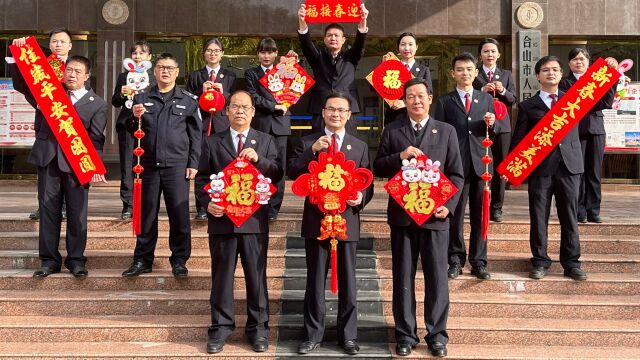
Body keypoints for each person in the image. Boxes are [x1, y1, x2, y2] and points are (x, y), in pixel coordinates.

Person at [374, 78, 464, 357]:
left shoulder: (446, 131)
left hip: (436, 218)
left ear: (430, 98)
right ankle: (405, 334)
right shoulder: (392, 131)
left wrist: (448, 206)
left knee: (437, 277)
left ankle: (437, 334)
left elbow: (457, 175)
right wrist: (399, 156)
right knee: (403, 276)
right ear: (404, 101)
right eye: (410, 96)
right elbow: (377, 166)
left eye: (421, 96)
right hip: (402, 218)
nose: (416, 101)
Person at [195, 90, 282, 354]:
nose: (240, 111)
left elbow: (278, 173)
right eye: (235, 107)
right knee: (221, 276)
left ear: (254, 111)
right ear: (227, 111)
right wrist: (206, 203)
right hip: (222, 221)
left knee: (256, 277)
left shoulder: (265, 140)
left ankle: (258, 329)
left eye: (245, 107)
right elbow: (202, 180)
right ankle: (220, 328)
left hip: (255, 222)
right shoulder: (212, 142)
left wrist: (261, 160)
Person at [7, 50, 108, 278]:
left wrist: (94, 166)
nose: (72, 75)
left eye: (77, 72)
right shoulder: (50, 94)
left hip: (77, 165)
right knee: (48, 211)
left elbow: (96, 139)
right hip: (49, 160)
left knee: (76, 214)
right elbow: (23, 86)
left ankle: (76, 260)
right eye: (68, 70)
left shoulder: (97, 104)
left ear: (87, 76)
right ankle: (49, 260)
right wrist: (16, 58)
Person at [288, 92, 373, 356]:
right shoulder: (307, 142)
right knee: (314, 280)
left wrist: (361, 197)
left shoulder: (359, 146)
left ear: (349, 115)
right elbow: (292, 172)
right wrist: (311, 154)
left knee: (349, 281)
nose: (336, 114)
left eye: (341, 110)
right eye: (331, 109)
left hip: (346, 221)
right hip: (317, 222)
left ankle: (348, 336)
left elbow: (366, 183)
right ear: (323, 112)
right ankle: (313, 335)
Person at [507, 55, 587, 281]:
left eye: (554, 69)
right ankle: (540, 260)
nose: (550, 73)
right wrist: (511, 168)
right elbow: (519, 140)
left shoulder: (574, 100)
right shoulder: (528, 106)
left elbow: (603, 100)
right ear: (537, 76)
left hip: (569, 167)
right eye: (545, 70)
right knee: (538, 216)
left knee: (569, 216)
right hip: (541, 170)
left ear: (561, 74)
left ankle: (571, 262)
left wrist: (612, 72)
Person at [122, 53, 201, 278]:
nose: (165, 71)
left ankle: (179, 260)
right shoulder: (141, 97)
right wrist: (132, 117)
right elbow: (129, 129)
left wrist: (193, 163)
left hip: (177, 166)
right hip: (148, 164)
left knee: (179, 214)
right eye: (161, 68)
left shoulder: (188, 100)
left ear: (177, 72)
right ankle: (142, 259)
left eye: (169, 68)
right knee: (146, 214)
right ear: (154, 71)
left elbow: (196, 136)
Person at [434, 52, 496, 280]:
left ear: (476, 73)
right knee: (455, 214)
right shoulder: (444, 101)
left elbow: (493, 132)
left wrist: (492, 123)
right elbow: (439, 135)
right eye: (460, 69)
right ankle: (455, 259)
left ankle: (479, 261)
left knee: (481, 215)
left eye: (469, 69)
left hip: (482, 165)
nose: (465, 73)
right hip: (455, 167)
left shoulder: (486, 99)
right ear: (453, 74)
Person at [9, 29, 74, 221]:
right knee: (46, 169)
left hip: (69, 124)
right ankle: (44, 207)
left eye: (63, 42)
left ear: (70, 45)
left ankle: (64, 206)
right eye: (54, 41)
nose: (58, 45)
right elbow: (23, 86)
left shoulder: (76, 65)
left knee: (66, 169)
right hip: (45, 122)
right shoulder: (41, 63)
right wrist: (17, 53)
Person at [559, 48, 617, 224]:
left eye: (582, 59)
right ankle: (580, 210)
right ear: (569, 64)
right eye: (575, 59)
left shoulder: (598, 80)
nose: (579, 62)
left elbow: (606, 102)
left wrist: (612, 77)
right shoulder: (565, 83)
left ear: (588, 62)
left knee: (594, 172)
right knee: (579, 172)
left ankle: (594, 210)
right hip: (576, 132)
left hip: (597, 130)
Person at [297, 3, 369, 134]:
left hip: (346, 110)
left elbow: (360, 43)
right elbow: (306, 44)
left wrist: (363, 20)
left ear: (343, 40)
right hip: (321, 109)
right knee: (319, 147)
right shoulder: (318, 57)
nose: (333, 38)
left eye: (336, 35)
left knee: (347, 148)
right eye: (329, 35)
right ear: (324, 39)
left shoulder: (351, 57)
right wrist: (302, 22)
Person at [187, 38, 237, 220]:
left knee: (222, 164)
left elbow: (236, 101)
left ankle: (225, 200)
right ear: (204, 54)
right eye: (209, 50)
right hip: (202, 126)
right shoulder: (195, 76)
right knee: (202, 166)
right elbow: (188, 101)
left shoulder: (230, 76)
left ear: (222, 54)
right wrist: (201, 93)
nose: (213, 54)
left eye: (216, 51)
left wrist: (224, 93)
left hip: (222, 126)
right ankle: (202, 206)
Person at [244, 37, 289, 221]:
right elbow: (252, 96)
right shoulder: (251, 74)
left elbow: (295, 90)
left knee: (279, 168)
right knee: (257, 165)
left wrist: (292, 61)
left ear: (276, 53)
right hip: (260, 125)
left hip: (280, 126)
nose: (266, 56)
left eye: (270, 52)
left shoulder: (285, 72)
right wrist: (274, 106)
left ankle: (273, 208)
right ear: (258, 54)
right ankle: (257, 201)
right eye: (263, 52)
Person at [472, 38, 517, 223]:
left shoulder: (505, 74)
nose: (490, 54)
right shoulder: (474, 75)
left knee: (500, 166)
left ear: (498, 54)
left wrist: (503, 90)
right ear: (480, 55)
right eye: (486, 51)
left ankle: (497, 207)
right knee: (482, 164)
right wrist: (482, 89)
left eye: (493, 51)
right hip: (479, 124)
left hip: (502, 126)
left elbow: (513, 99)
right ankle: (481, 204)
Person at [111, 41, 155, 220]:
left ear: (149, 57)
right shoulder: (123, 76)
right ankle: (128, 204)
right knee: (128, 165)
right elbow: (115, 101)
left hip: (148, 125)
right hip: (128, 125)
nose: (138, 56)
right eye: (135, 53)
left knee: (147, 165)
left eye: (142, 53)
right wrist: (122, 93)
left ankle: (146, 202)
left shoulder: (153, 79)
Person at [383, 32, 433, 125]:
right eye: (403, 44)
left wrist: (405, 103)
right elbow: (376, 89)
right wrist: (383, 67)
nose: (407, 48)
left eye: (410, 44)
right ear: (398, 47)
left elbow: (428, 95)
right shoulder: (391, 67)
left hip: (417, 118)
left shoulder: (424, 70)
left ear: (416, 47)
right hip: (394, 117)